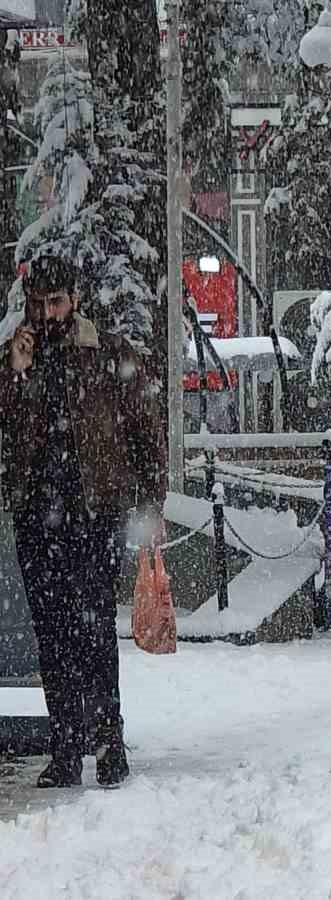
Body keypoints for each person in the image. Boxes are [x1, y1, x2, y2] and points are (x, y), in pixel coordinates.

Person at [0, 255, 165, 788]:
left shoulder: (107, 353)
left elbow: (146, 430)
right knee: (52, 635)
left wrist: (152, 503)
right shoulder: (18, 359)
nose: (48, 313)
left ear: (74, 300)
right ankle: (66, 748)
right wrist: (15, 372)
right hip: (37, 516)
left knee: (93, 630)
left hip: (94, 513)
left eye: (57, 302)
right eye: (39, 303)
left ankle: (108, 743)